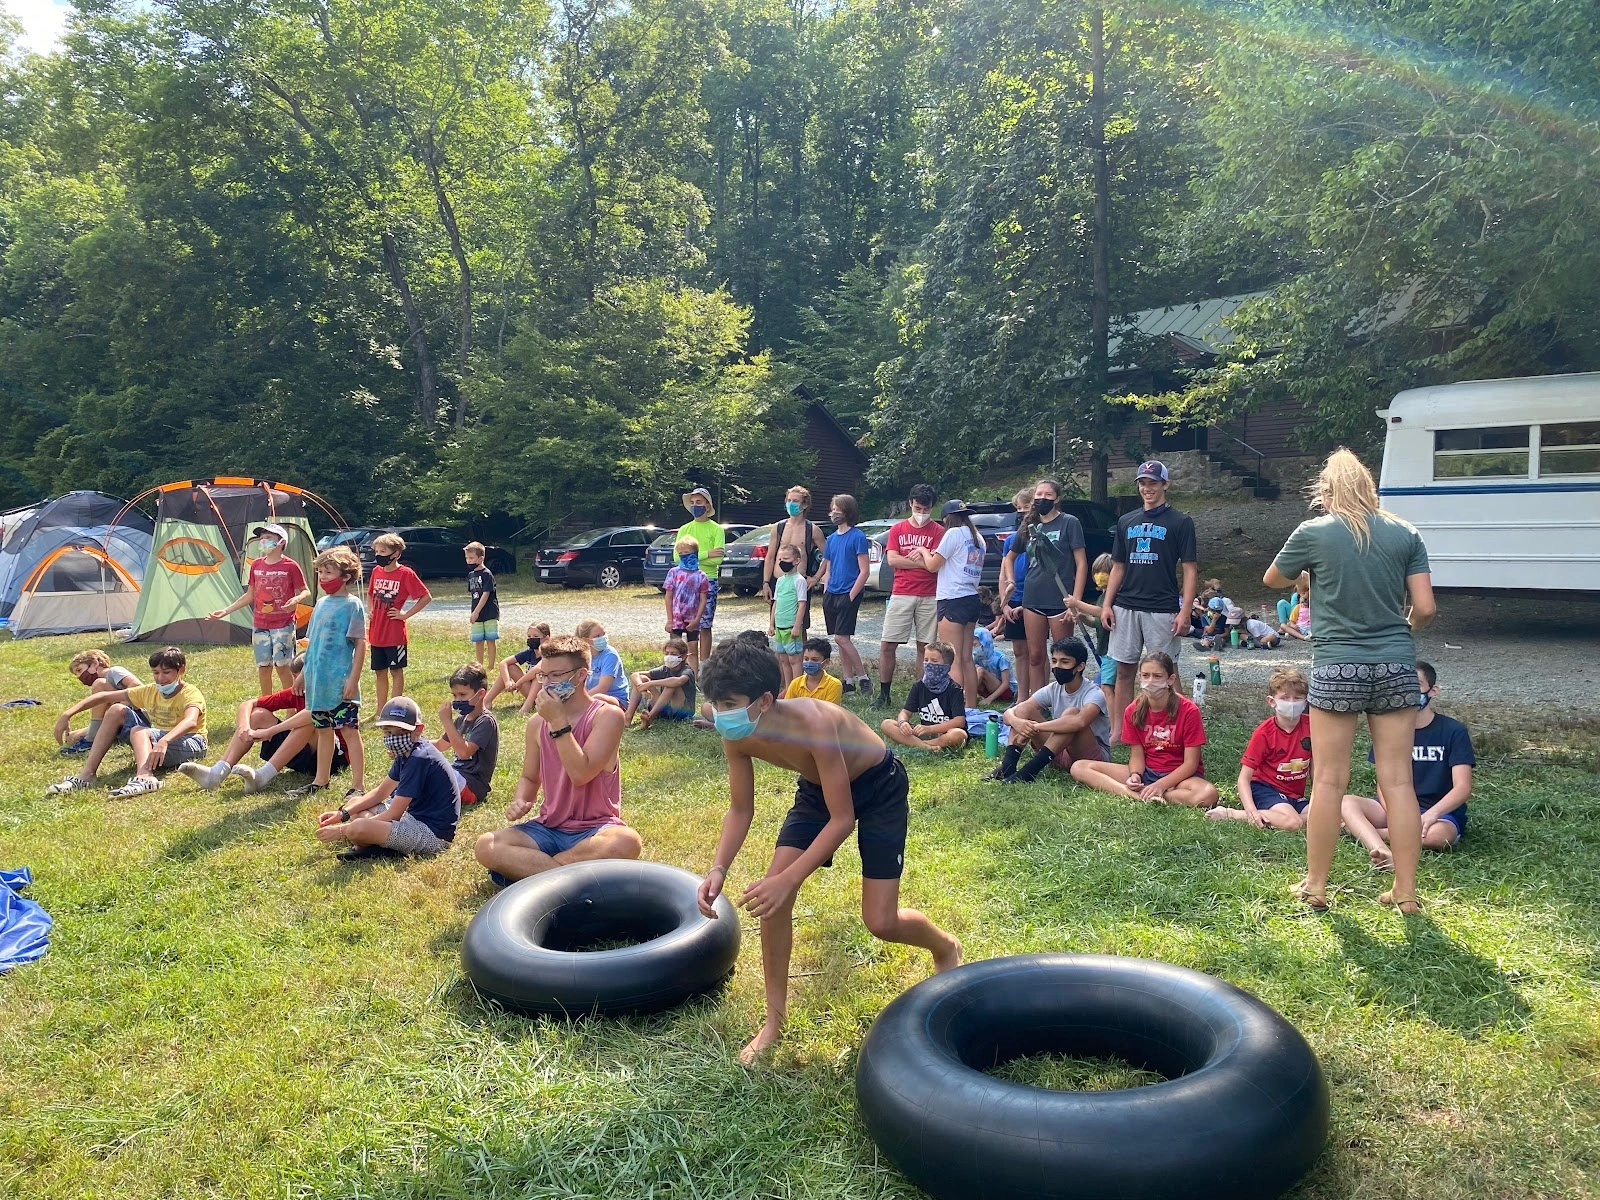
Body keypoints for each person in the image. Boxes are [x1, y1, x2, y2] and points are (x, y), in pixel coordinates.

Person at [696, 639, 962, 1064]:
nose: (718, 712)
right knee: (772, 903)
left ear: (765, 700)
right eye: (713, 702)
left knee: (881, 921)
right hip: (817, 790)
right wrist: (718, 869)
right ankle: (774, 1022)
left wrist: (789, 878)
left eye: (728, 702)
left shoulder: (814, 722)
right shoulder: (738, 733)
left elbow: (843, 818)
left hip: (878, 787)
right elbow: (740, 807)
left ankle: (945, 947)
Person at [1265, 448, 1435, 914]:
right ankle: (1405, 893)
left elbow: (1273, 579)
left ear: (1326, 490)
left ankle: (1316, 886)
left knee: (1329, 781)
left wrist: (1310, 569)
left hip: (1337, 666)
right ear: (1369, 487)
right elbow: (1424, 608)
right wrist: (1404, 632)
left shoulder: (1314, 533)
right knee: (1398, 782)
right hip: (1397, 666)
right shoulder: (1405, 533)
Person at [473, 634, 643, 884]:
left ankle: (532, 875)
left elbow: (581, 773)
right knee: (487, 845)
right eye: (543, 675)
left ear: (581, 675)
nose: (547, 683)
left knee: (627, 842)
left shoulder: (608, 716)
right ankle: (571, 877)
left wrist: (558, 721)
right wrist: (521, 799)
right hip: (548, 828)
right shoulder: (535, 724)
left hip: (596, 829)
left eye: (556, 675)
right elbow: (530, 777)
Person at [1100, 461, 1198, 745]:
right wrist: (1108, 603)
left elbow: (1190, 569)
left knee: (1167, 670)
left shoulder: (1180, 522)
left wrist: (1185, 610)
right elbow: (1118, 566)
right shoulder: (1126, 521)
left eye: (1153, 483)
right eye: (1143, 483)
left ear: (1165, 485)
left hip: (1162, 606)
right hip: (1126, 605)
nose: (1147, 488)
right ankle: (1120, 731)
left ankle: (1177, 729)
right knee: (1124, 670)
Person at [1341, 661, 1474, 866]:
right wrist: (1394, 812)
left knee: (1439, 836)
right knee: (1346, 802)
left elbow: (1463, 787)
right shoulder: (1388, 731)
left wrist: (1432, 814)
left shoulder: (1454, 731)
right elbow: (1382, 781)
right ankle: (1381, 849)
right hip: (1392, 806)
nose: (1410, 692)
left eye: (1417, 685)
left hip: (1437, 812)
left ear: (1433, 690)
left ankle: (1367, 832)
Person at [47, 645, 208, 797]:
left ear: (181, 670)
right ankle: (86, 775)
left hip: (192, 742)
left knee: (140, 731)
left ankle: (145, 778)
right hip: (160, 741)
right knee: (116, 710)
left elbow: (190, 721)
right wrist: (67, 714)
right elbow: (103, 697)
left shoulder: (190, 693)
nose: (160, 678)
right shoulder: (150, 690)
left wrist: (164, 741)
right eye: (155, 673)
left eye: (166, 672)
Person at [315, 696, 461, 862]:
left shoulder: (419, 758)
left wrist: (343, 830)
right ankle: (376, 842)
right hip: (411, 818)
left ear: (418, 730)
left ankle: (375, 844)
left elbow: (395, 813)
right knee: (354, 803)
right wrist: (342, 814)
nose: (393, 738)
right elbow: (381, 793)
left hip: (432, 835)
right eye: (388, 732)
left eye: (400, 732)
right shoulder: (407, 750)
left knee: (358, 828)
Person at [177, 654, 350, 792]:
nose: (300, 684)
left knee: (310, 721)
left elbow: (313, 713)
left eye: (303, 678)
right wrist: (245, 727)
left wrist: (271, 731)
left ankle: (263, 775)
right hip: (302, 753)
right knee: (258, 714)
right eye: (296, 678)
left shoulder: (330, 690)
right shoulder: (297, 691)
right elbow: (247, 704)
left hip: (332, 759)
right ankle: (218, 772)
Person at [1071, 651, 1217, 808]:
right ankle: (1137, 795)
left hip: (1180, 777)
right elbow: (1137, 755)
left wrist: (1161, 785)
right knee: (1079, 767)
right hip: (1147, 771)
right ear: (1139, 677)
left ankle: (1155, 794)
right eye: (1145, 676)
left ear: (1170, 680)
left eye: (1157, 676)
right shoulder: (1133, 710)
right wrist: (1135, 775)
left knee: (1208, 794)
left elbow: (1191, 764)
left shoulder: (1189, 710)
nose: (1150, 681)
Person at [1003, 478, 1087, 716]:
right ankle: (1036, 706)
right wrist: (1010, 581)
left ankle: (1066, 705)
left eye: (1048, 495)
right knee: (1036, 655)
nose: (1042, 498)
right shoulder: (1028, 525)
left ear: (1057, 498)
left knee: (1063, 656)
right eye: (1039, 494)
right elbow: (1009, 557)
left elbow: (1081, 563)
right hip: (1032, 597)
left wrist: (1076, 601)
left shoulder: (1069, 523)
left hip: (1061, 599)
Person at [205, 522, 310, 694]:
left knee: (283, 666)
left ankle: (292, 706)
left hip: (283, 624)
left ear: (281, 542)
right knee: (263, 667)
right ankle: (266, 705)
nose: (263, 542)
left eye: (268, 538)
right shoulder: (256, 565)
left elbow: (306, 590)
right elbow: (250, 595)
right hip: (260, 624)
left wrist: (296, 599)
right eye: (261, 538)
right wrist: (226, 610)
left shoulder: (290, 566)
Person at [297, 545, 368, 799]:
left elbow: (360, 644)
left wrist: (353, 679)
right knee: (323, 730)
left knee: (349, 731)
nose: (323, 577)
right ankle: (321, 780)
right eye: (320, 573)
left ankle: (358, 785)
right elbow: (313, 643)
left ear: (346, 576)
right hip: (318, 683)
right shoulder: (321, 603)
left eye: (328, 572)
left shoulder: (353, 605)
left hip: (340, 684)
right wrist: (304, 673)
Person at [1207, 667, 1313, 831]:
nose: (1291, 703)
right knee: (1294, 823)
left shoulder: (1312, 726)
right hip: (1266, 789)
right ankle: (1233, 814)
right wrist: (1251, 811)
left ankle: (1282, 817)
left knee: (1326, 816)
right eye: (1285, 698)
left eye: (1297, 698)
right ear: (1272, 701)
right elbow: (1244, 778)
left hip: (1295, 794)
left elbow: (1315, 766)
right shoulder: (1264, 733)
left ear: (1305, 701)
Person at [991, 639, 1109, 783]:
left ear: (1080, 666)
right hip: (1058, 752)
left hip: (1090, 759)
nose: (1057, 666)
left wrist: (1034, 727)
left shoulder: (1094, 693)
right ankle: (1008, 765)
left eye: (1065, 662)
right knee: (1024, 708)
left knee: (1071, 714)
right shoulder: (1053, 688)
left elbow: (1079, 722)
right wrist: (1019, 723)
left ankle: (1030, 771)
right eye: (1054, 661)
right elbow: (1012, 713)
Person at [875, 484, 941, 709]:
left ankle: (921, 695)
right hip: (901, 592)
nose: (922, 512)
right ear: (911, 503)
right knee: (887, 645)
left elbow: (935, 567)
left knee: (925, 648)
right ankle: (884, 693)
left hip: (929, 594)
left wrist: (919, 562)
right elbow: (892, 560)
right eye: (918, 507)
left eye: (927, 508)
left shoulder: (938, 532)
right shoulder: (898, 529)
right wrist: (923, 560)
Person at [921, 500, 985, 705]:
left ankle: (953, 708)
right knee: (967, 657)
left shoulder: (953, 534)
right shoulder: (978, 538)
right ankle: (971, 706)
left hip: (952, 598)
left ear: (947, 519)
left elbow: (932, 565)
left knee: (953, 657)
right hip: (971, 597)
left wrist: (923, 551)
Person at [366, 533, 432, 713]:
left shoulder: (405, 573)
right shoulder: (376, 571)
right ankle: (380, 710)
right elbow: (370, 593)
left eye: (383, 551)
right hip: (376, 633)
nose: (378, 555)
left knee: (396, 671)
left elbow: (425, 597)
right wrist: (370, 609)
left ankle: (393, 710)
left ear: (395, 554)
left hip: (394, 634)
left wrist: (406, 614)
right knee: (380, 671)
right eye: (377, 551)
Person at [818, 494, 871, 693]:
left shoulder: (857, 537)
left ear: (847, 511)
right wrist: (826, 590)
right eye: (832, 508)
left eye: (837, 508)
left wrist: (851, 594)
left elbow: (864, 570)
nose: (833, 512)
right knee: (840, 639)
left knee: (842, 638)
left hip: (849, 592)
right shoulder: (831, 539)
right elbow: (829, 568)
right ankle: (848, 680)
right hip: (832, 593)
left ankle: (864, 678)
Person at [880, 642, 968, 752]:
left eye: (934, 661)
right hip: (922, 732)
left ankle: (917, 744)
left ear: (946, 666)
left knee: (959, 734)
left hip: (943, 733)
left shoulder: (954, 689)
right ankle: (927, 747)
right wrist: (903, 723)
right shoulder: (919, 686)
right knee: (887, 724)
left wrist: (929, 729)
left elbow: (959, 721)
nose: (929, 664)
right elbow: (905, 712)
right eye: (926, 660)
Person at [54, 649, 142, 756]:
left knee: (99, 684)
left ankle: (92, 740)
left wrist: (119, 707)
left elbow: (137, 686)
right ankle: (108, 736)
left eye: (79, 670)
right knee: (71, 738)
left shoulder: (114, 671)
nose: (79, 676)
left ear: (95, 663)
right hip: (119, 721)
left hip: (136, 718)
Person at [434, 662, 499, 807]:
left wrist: (447, 722)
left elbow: (464, 752)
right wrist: (412, 744)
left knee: (431, 771)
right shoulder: (462, 719)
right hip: (457, 777)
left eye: (462, 695)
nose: (457, 700)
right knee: (421, 764)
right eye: (454, 695)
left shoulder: (486, 721)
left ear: (481, 694)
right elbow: (440, 745)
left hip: (472, 786)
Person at [676, 487, 728, 666]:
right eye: (692, 503)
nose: (695, 505)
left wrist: (691, 555)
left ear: (707, 505)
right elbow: (677, 557)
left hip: (708, 580)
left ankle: (705, 666)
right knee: (686, 624)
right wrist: (707, 553)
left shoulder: (716, 529)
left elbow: (719, 559)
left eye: (699, 502)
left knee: (705, 624)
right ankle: (689, 667)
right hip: (685, 582)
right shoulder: (684, 529)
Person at [995, 488, 1034, 697]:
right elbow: (1003, 574)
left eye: (1025, 508)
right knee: (1019, 650)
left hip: (1033, 601)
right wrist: (1005, 603)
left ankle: (1039, 695)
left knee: (1036, 653)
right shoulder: (1011, 540)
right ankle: (1021, 696)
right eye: (1018, 508)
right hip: (1014, 599)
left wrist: (1025, 605)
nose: (1021, 512)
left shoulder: (1038, 539)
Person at [762, 485, 826, 602]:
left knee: (800, 620)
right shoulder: (778, 528)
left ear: (805, 504)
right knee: (778, 618)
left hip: (800, 584)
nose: (791, 504)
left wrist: (816, 578)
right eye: (789, 500)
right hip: (778, 582)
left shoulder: (812, 530)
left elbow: (828, 556)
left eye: (795, 501)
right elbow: (770, 557)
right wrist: (766, 583)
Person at [625, 638, 698, 727]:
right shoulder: (665, 669)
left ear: (683, 657)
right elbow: (635, 674)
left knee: (670, 685)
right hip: (664, 709)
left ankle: (649, 718)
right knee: (643, 678)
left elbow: (679, 681)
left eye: (673, 654)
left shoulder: (687, 670)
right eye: (667, 653)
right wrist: (642, 687)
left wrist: (650, 683)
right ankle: (628, 717)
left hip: (682, 712)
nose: (669, 656)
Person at [661, 537, 710, 670]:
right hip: (677, 618)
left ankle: (692, 679)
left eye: (686, 552)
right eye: (680, 553)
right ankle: (674, 675)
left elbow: (703, 599)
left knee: (692, 649)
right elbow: (668, 596)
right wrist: (670, 620)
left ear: (695, 553)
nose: (683, 555)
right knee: (674, 649)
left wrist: (697, 619)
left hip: (693, 618)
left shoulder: (701, 576)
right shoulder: (674, 573)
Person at [769, 544, 810, 690]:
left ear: (797, 561)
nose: (782, 562)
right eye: (780, 558)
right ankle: (788, 688)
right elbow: (776, 602)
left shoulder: (799, 580)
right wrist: (771, 624)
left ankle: (797, 688)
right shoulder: (780, 580)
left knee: (794, 659)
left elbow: (802, 605)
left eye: (786, 558)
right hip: (779, 627)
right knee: (783, 659)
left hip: (791, 627)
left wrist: (797, 626)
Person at [486, 622, 551, 709]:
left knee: (538, 675)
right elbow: (503, 663)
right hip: (530, 690)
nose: (532, 639)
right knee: (510, 667)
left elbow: (537, 669)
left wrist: (518, 683)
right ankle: (487, 700)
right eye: (529, 636)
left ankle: (527, 706)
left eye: (535, 636)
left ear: (546, 638)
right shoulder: (529, 652)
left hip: (545, 693)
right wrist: (507, 682)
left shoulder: (549, 654)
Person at [575, 618, 630, 708]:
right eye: (597, 636)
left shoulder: (610, 655)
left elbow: (602, 688)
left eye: (604, 634)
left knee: (598, 697)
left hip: (615, 700)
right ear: (585, 640)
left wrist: (580, 702)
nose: (603, 638)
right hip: (590, 698)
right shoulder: (581, 656)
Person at [464, 541, 500, 671]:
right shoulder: (471, 575)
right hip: (476, 612)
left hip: (489, 612)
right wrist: (474, 612)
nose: (469, 561)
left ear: (481, 558)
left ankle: (491, 665)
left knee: (490, 639)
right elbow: (474, 595)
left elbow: (485, 594)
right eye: (467, 558)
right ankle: (479, 665)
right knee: (478, 640)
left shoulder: (487, 574)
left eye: (471, 558)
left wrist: (477, 611)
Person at [784, 637, 844, 704]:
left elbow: (829, 712)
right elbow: (787, 709)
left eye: (815, 660)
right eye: (806, 659)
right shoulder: (795, 684)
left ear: (826, 662)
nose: (809, 663)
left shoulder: (834, 685)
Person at [971, 626, 1014, 706]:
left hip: (1006, 691)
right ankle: (969, 694)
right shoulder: (977, 657)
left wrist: (989, 699)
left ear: (985, 643)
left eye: (975, 645)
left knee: (980, 670)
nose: (973, 648)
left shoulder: (1001, 658)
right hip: (988, 688)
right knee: (974, 669)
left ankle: (967, 695)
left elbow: (1006, 684)